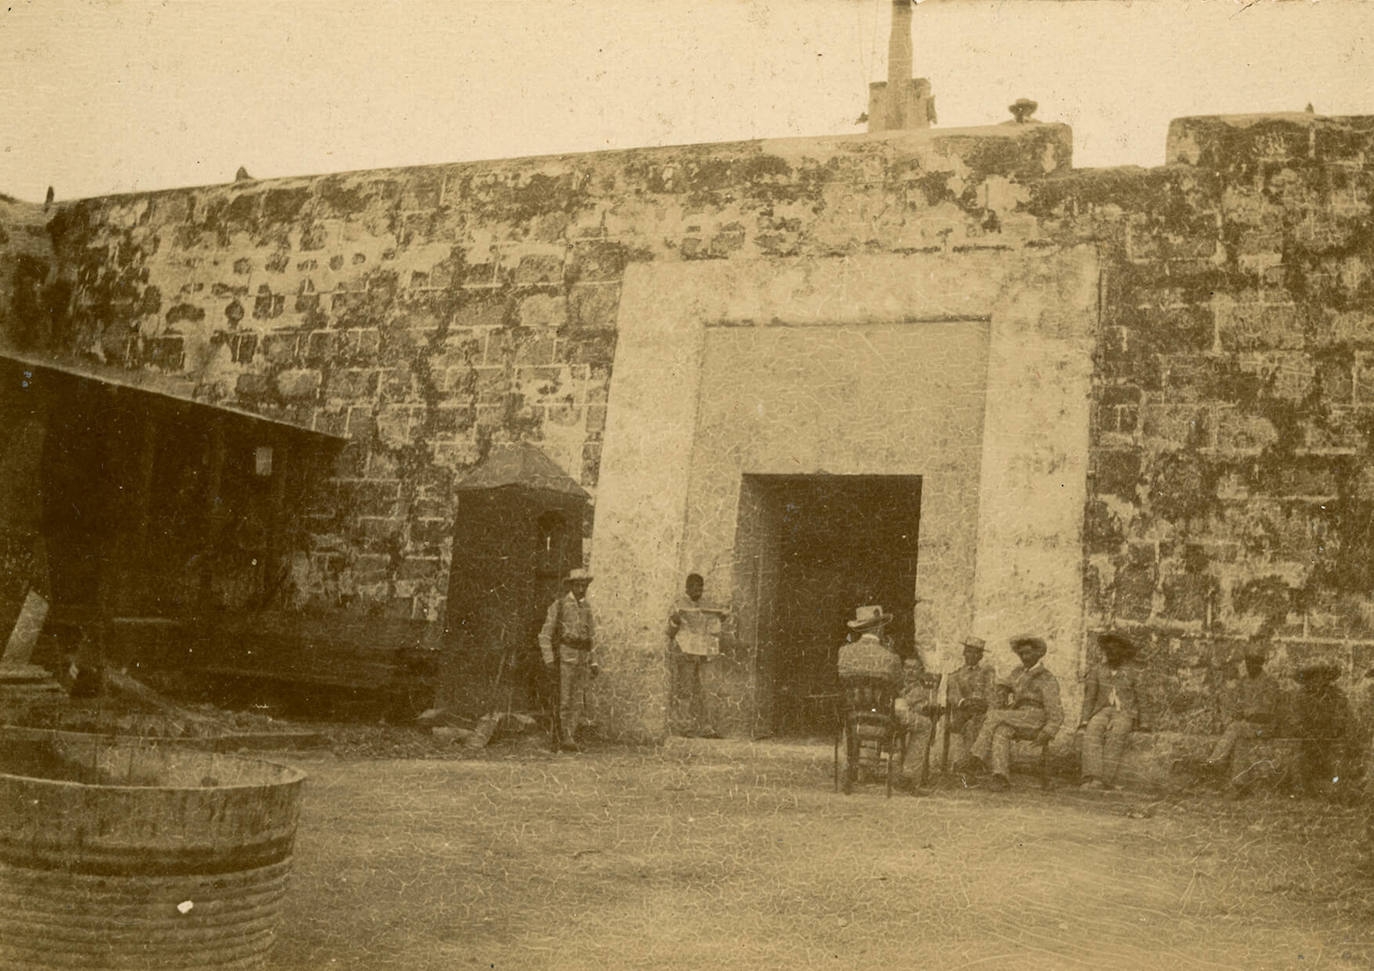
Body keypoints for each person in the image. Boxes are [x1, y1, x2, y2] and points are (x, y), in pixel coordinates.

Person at [959, 635, 1063, 792]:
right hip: (1018, 717)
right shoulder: (1018, 672)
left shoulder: (1047, 678)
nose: (1024, 657)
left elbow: (1055, 710)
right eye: (1021, 654)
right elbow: (1004, 684)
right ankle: (1000, 777)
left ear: (1038, 654)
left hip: (1037, 717)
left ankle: (975, 757)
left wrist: (1049, 731)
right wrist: (1002, 689)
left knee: (995, 715)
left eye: (1028, 653)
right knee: (1001, 731)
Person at [539, 567, 599, 752]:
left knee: (577, 701)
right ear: (571, 585)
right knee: (563, 700)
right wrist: (549, 659)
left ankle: (569, 736)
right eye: (578, 585)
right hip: (565, 659)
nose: (582, 589)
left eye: (584, 585)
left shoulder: (587, 607)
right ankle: (561, 736)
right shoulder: (559, 605)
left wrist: (594, 661)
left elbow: (592, 637)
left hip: (582, 659)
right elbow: (544, 635)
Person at [1077, 632, 1144, 791]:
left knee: (1117, 733)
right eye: (1109, 651)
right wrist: (1085, 720)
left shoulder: (1133, 672)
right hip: (1102, 710)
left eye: (1116, 651)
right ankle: (1091, 776)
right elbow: (1090, 698)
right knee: (1092, 730)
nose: (1112, 654)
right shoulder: (1097, 671)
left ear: (1123, 652)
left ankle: (1104, 779)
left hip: (1124, 712)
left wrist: (1145, 722)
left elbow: (1142, 699)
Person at [1205, 643, 1280, 780]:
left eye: (1254, 662)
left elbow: (1267, 712)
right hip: (1247, 727)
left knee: (1236, 728)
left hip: (1264, 727)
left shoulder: (1270, 683)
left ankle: (1214, 762)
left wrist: (1245, 713)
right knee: (1240, 741)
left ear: (1260, 663)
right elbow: (1234, 702)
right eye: (1248, 662)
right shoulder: (1243, 681)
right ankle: (1239, 783)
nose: (1249, 666)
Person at [668, 572, 730, 738]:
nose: (698, 591)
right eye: (695, 587)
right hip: (686, 650)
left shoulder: (707, 605)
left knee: (706, 690)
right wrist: (675, 620)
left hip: (704, 652)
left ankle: (707, 728)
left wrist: (721, 618)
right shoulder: (679, 604)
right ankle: (684, 727)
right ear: (687, 588)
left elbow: (714, 628)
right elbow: (670, 632)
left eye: (701, 587)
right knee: (685, 690)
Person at [1292, 662, 1354, 799]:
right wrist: (1309, 735)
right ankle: (1303, 788)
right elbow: (1296, 721)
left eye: (1322, 676)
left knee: (1337, 760)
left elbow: (1342, 718)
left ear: (1328, 678)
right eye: (1313, 676)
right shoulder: (1300, 696)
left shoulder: (1337, 695)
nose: (1318, 681)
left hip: (1331, 740)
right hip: (1308, 741)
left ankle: (1335, 788)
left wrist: (1329, 733)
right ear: (1308, 679)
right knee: (1300, 756)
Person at [944, 636, 996, 766]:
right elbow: (952, 695)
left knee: (977, 721)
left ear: (981, 656)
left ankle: (971, 763)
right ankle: (968, 763)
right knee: (970, 723)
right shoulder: (955, 675)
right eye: (969, 651)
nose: (972, 655)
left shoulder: (987, 673)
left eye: (976, 652)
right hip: (962, 712)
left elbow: (990, 693)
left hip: (981, 712)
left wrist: (982, 704)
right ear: (963, 653)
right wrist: (964, 702)